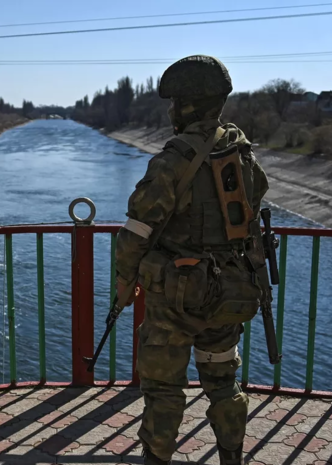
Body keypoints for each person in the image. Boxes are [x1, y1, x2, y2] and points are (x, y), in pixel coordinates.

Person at [114, 55, 269, 465]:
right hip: (230, 294)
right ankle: (231, 457)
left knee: (164, 389)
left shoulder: (173, 159)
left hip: (177, 299)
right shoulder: (244, 156)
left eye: (175, 101)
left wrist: (123, 285)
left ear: (187, 105)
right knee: (222, 381)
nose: (170, 110)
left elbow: (135, 233)